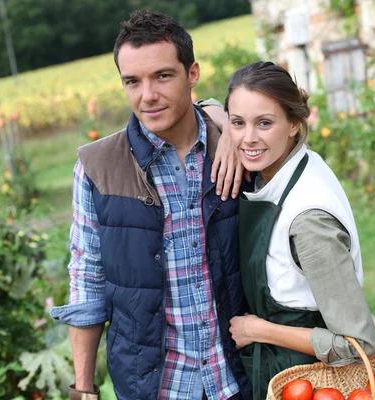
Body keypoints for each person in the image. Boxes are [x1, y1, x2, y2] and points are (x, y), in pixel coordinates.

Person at [49, 10, 252, 400]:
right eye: (132, 82)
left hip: (237, 380)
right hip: (153, 388)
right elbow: (86, 280)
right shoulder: (96, 168)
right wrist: (84, 389)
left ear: (191, 74)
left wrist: (225, 119)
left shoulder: (236, 148)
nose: (148, 96)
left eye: (162, 76)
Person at [225, 61, 375, 400]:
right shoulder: (291, 164)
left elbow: (358, 345)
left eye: (264, 123)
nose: (248, 138)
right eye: (238, 123)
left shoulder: (309, 221)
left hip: (308, 381)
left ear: (295, 123)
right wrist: (224, 133)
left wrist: (257, 329)